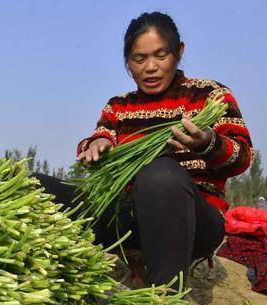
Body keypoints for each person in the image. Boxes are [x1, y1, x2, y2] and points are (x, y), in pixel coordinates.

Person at [41, 12, 253, 288]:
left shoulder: (210, 96)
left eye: (161, 55)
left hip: (193, 222)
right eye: (139, 59)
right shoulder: (119, 106)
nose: (150, 67)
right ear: (128, 63)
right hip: (128, 220)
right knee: (32, 183)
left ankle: (163, 293)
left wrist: (207, 143)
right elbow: (99, 137)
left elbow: (242, 156)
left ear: (179, 52)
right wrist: (96, 146)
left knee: (159, 173)